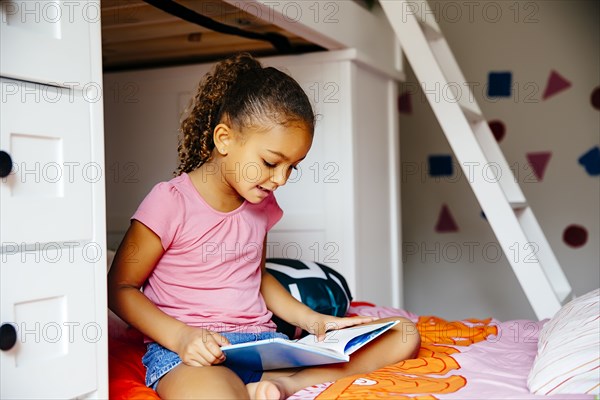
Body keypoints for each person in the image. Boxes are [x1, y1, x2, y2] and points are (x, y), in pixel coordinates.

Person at [107, 53, 420, 400]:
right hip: (191, 355)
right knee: (218, 395)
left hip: (261, 346)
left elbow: (256, 277)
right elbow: (120, 288)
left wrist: (314, 321)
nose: (281, 179)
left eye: (292, 168)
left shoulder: (260, 204)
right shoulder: (169, 202)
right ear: (224, 139)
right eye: (271, 162)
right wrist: (181, 337)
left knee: (404, 334)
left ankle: (282, 386)